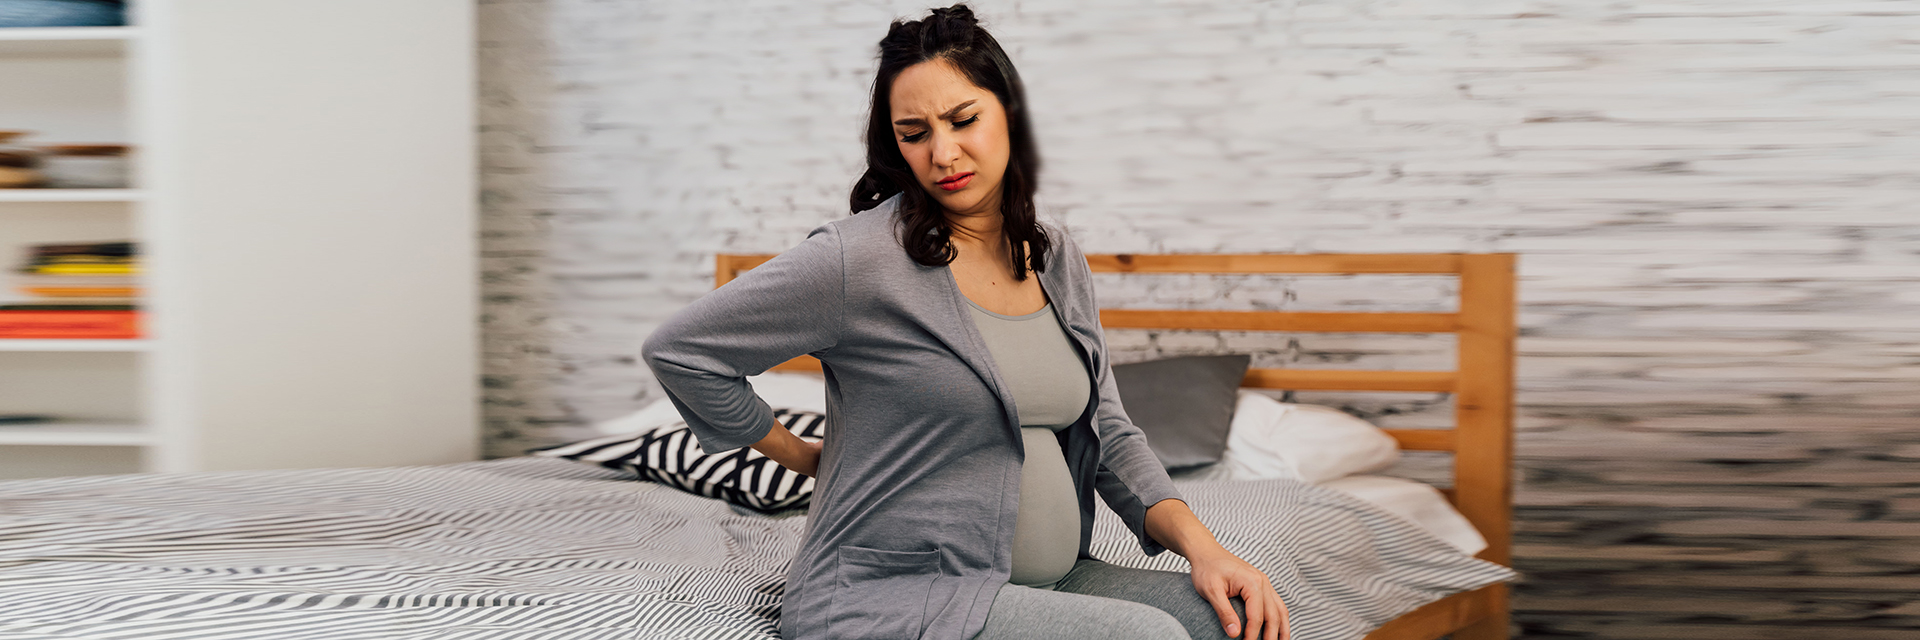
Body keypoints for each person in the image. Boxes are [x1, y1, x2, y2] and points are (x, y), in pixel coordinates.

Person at [642, 5, 1291, 640]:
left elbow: (1109, 432)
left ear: (1007, 112)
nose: (943, 152)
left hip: (1047, 583)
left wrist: (1205, 550)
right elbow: (683, 350)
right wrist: (802, 454)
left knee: (1226, 621)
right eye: (914, 132)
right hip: (891, 594)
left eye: (962, 119)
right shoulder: (857, 260)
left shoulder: (1055, 257)